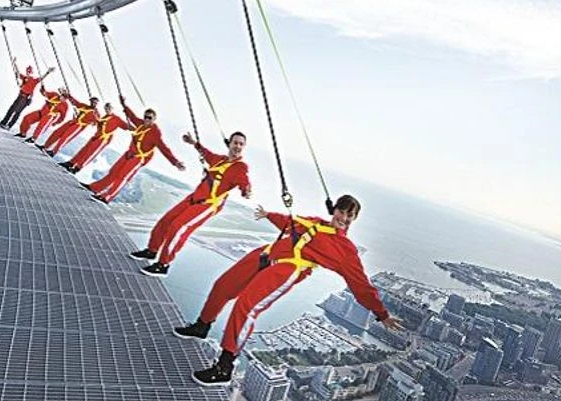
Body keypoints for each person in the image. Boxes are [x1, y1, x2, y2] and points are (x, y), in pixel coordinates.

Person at [173, 194, 403, 386]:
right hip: (267, 254)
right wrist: (269, 215)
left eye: (349, 215)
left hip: (289, 268)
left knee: (247, 306)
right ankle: (202, 325)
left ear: (354, 219)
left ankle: (224, 367)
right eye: (341, 211)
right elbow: (291, 222)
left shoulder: (345, 250)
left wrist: (381, 314)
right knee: (223, 286)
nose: (343, 218)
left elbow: (360, 283)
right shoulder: (315, 223)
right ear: (335, 210)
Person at [131, 132, 251, 277]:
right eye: (235, 142)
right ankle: (152, 251)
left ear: (243, 146)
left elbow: (244, 183)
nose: (237, 146)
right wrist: (193, 142)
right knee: (166, 221)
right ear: (229, 143)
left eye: (240, 144)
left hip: (208, 205)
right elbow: (206, 153)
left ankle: (163, 265)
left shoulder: (240, 167)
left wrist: (246, 191)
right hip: (194, 198)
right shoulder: (219, 160)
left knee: (178, 227)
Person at [83, 96, 185, 203]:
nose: (146, 119)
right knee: (114, 171)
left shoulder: (155, 133)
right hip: (129, 153)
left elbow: (164, 148)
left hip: (139, 158)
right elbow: (132, 116)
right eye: (146, 117)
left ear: (154, 119)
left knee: (122, 176)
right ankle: (95, 188)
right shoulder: (140, 124)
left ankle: (107, 197)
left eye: (149, 118)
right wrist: (124, 105)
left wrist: (175, 162)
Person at [60, 102, 128, 173]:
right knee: (84, 150)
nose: (107, 109)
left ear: (112, 109)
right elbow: (97, 123)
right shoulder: (104, 117)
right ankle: (71, 163)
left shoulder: (117, 119)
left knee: (90, 154)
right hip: (96, 136)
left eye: (109, 108)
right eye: (106, 108)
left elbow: (126, 127)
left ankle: (77, 168)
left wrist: (131, 123)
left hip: (103, 139)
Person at [0, 60, 55, 129]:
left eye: (29, 71)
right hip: (20, 96)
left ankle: (9, 126)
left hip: (25, 98)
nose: (28, 73)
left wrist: (48, 72)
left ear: (31, 72)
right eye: (27, 71)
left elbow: (41, 78)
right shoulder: (25, 78)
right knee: (11, 110)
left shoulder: (34, 80)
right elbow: (17, 72)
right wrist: (15, 64)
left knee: (17, 112)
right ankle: (3, 122)